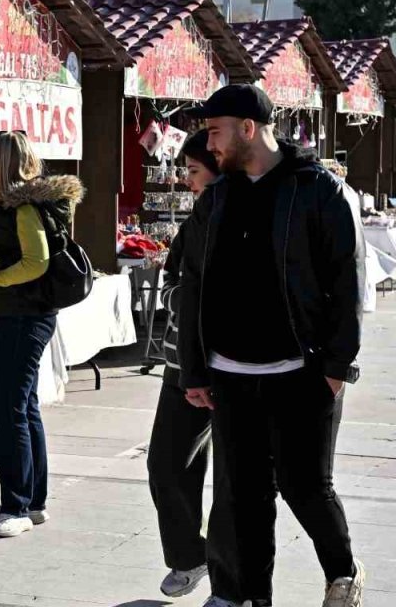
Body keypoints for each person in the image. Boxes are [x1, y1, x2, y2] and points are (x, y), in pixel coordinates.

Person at [179, 84, 365, 607]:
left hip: (300, 370)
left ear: (247, 128)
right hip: (231, 375)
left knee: (306, 486)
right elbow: (194, 282)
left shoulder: (316, 189)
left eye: (215, 131)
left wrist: (335, 366)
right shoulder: (216, 197)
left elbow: (343, 281)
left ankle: (343, 572)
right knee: (244, 500)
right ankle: (254, 599)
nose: (207, 143)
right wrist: (194, 369)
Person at [0, 131, 83, 538]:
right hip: (24, 315)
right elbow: (22, 259)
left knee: (9, 408)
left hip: (22, 317)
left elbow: (35, 264)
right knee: (24, 406)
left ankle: (17, 505)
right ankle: (32, 501)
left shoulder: (21, 208)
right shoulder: (29, 205)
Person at [147, 129, 219, 598]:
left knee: (239, 483)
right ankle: (190, 557)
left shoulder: (235, 217)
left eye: (193, 172)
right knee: (168, 464)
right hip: (181, 362)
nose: (187, 182)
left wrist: (182, 294)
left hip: (229, 368)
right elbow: (179, 282)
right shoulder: (199, 219)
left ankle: (233, 576)